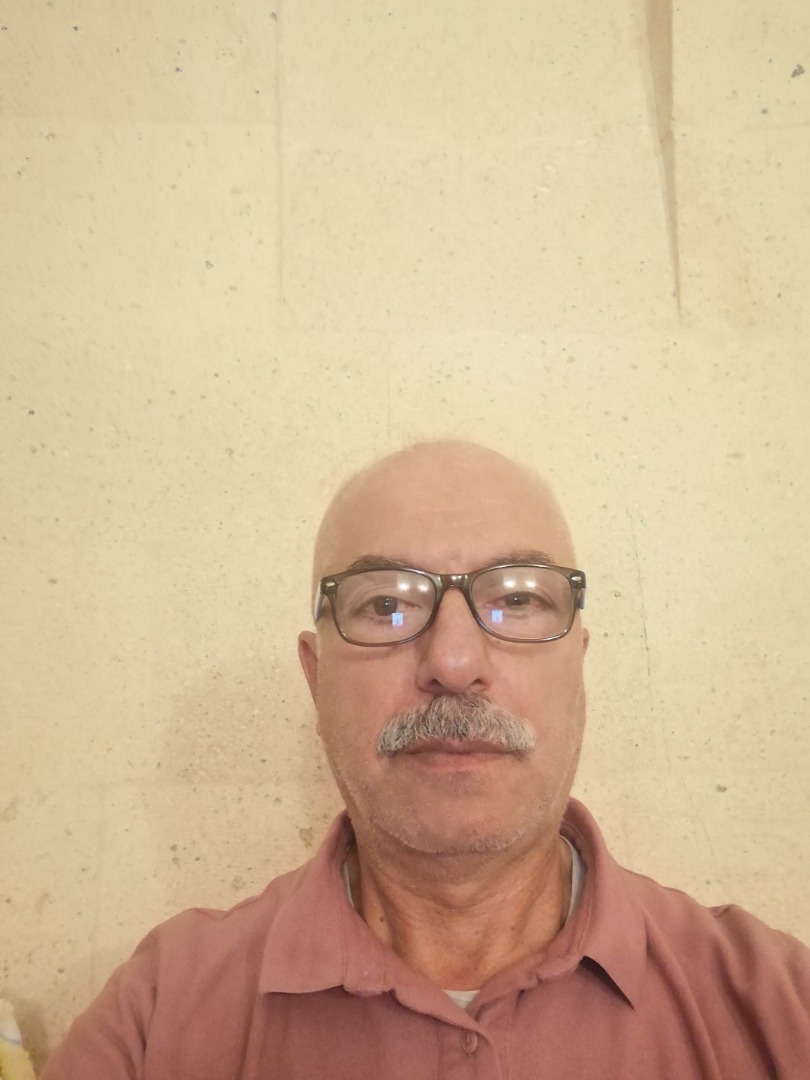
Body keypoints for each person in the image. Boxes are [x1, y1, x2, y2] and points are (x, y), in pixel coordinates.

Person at [43, 440, 810, 1079]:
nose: (453, 661)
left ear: (578, 665)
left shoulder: (780, 1010)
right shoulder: (159, 1019)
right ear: (315, 679)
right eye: (386, 605)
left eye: (517, 599)